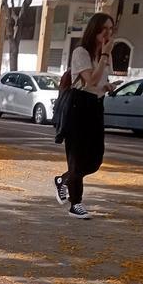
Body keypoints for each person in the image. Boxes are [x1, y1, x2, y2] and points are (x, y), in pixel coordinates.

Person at [53, 13, 115, 220]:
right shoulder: (81, 52)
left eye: (111, 29)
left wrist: (107, 86)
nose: (107, 33)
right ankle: (76, 204)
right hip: (78, 106)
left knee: (95, 159)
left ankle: (64, 179)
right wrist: (104, 55)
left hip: (96, 105)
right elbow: (90, 81)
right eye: (104, 29)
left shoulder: (103, 55)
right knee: (77, 156)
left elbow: (99, 83)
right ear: (94, 29)